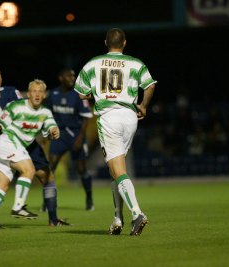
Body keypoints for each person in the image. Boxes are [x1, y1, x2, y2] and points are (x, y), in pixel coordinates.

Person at [0, 66, 67, 229]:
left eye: (40, 92)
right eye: (0, 73)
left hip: (0, 142)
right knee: (44, 176)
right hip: (15, 140)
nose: (36, 94)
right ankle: (41, 215)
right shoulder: (10, 93)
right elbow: (19, 110)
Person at [74, 28, 156, 236]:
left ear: (105, 42)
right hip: (129, 117)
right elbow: (150, 85)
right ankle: (117, 219)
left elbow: (80, 94)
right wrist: (144, 105)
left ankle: (137, 214)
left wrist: (96, 97)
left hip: (108, 117)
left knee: (118, 170)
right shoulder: (135, 63)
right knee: (116, 170)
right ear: (124, 43)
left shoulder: (93, 63)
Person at [0, 79, 60, 229]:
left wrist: (54, 132)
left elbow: (50, 129)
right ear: (28, 94)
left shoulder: (45, 112)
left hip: (13, 147)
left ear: (44, 96)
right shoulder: (16, 106)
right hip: (7, 142)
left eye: (40, 92)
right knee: (29, 170)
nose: (37, 94)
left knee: (2, 185)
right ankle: (18, 206)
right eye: (34, 91)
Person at [46, 68, 94, 210]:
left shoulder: (79, 95)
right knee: (51, 167)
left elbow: (86, 118)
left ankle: (89, 198)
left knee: (81, 169)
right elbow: (48, 114)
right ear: (61, 78)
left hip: (75, 134)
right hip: (59, 135)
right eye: (68, 76)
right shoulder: (53, 94)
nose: (72, 78)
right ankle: (47, 201)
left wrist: (80, 138)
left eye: (73, 76)